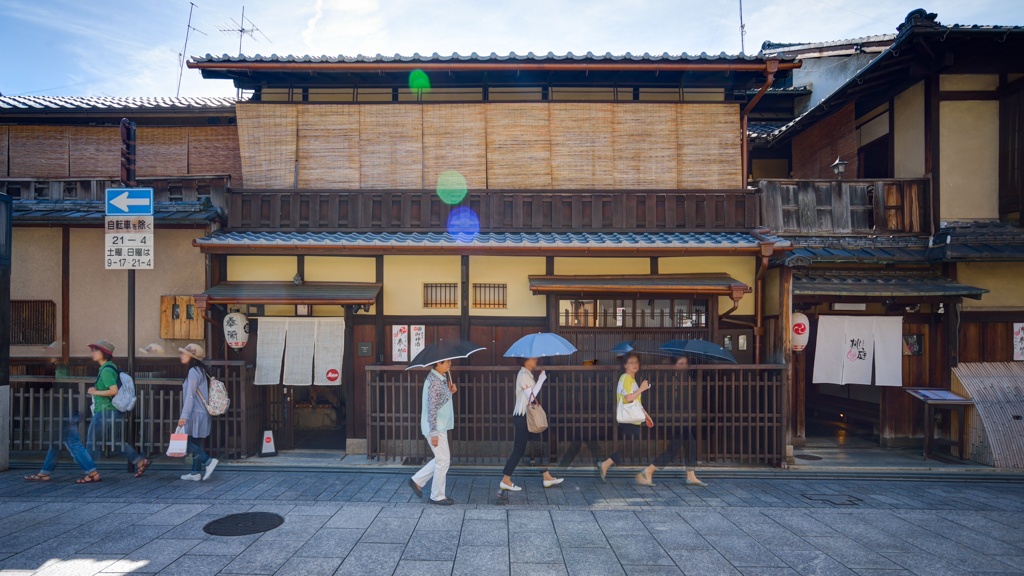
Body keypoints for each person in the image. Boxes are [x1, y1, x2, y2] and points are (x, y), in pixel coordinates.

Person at [24, 339, 149, 483]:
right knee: (117, 441)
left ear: (104, 354)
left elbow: (113, 391)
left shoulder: (107, 370)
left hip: (104, 410)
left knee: (92, 442)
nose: (93, 353)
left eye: (96, 350)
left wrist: (94, 392)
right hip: (113, 411)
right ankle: (140, 462)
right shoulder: (110, 368)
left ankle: (90, 472)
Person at [598, 352, 679, 486]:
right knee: (631, 446)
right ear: (625, 365)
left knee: (632, 445)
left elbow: (636, 402)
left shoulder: (632, 379)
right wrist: (642, 389)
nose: (634, 364)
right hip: (628, 418)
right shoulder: (626, 378)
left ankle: (606, 464)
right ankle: (606, 464)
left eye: (636, 362)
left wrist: (646, 416)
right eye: (631, 362)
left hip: (633, 418)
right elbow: (628, 398)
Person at [499, 358, 563, 492]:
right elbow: (531, 397)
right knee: (519, 449)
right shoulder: (523, 375)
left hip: (526, 416)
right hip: (523, 417)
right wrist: (541, 379)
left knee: (538, 445)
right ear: (525, 360)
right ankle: (506, 479)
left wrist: (540, 378)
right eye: (532, 358)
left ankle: (546, 476)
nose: (535, 360)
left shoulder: (527, 374)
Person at [409, 359, 458, 505]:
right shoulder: (435, 381)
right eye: (447, 362)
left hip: (438, 425)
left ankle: (417, 481)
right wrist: (433, 432)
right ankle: (437, 496)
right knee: (443, 461)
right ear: (438, 363)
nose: (450, 364)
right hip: (436, 427)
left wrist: (450, 392)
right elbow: (431, 408)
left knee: (441, 459)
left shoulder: (438, 378)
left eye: (450, 362)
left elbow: (438, 402)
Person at [177, 343, 218, 481]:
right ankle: (195, 472)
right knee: (195, 440)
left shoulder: (193, 371)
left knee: (186, 442)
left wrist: (184, 416)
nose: (181, 355)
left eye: (184, 353)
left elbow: (190, 395)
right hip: (201, 412)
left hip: (195, 412)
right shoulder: (202, 370)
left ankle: (208, 461)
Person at [672, 356, 707, 487]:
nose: (683, 365)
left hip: (682, 417)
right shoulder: (671, 377)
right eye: (680, 362)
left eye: (685, 363)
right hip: (671, 416)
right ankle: (648, 470)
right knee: (676, 448)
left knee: (681, 445)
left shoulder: (687, 378)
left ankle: (691, 475)